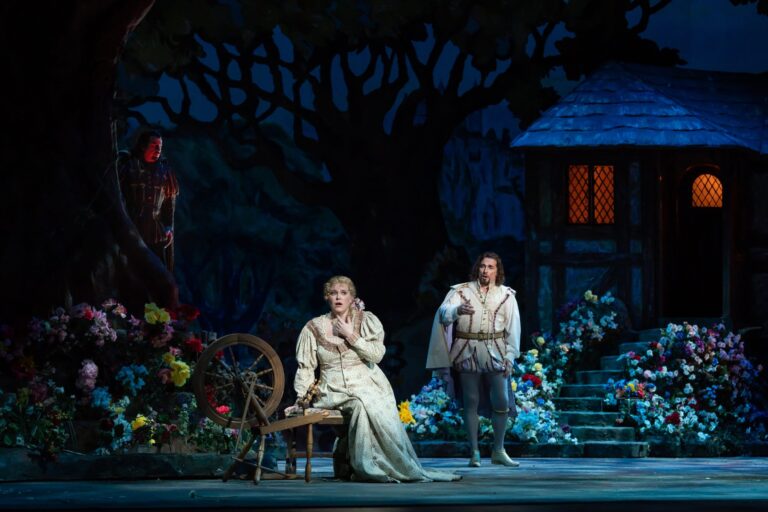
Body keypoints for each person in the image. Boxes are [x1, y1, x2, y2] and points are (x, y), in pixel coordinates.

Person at [288, 275, 460, 483]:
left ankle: (382, 463)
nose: (339, 297)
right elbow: (306, 367)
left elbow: (376, 355)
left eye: (344, 293)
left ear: (352, 298)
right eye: (333, 293)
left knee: (372, 404)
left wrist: (351, 335)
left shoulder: (366, 321)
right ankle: (366, 467)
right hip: (333, 389)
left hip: (368, 383)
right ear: (327, 297)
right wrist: (301, 398)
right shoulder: (313, 327)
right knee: (360, 404)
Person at [427, 252, 521, 468]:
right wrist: (457, 310)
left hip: (495, 350)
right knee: (470, 400)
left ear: (498, 271)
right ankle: (475, 452)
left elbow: (513, 328)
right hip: (466, 349)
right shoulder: (461, 291)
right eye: (482, 266)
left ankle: (498, 450)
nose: (485, 270)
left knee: (502, 401)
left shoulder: (506, 295)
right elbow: (442, 313)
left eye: (490, 267)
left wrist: (510, 356)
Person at [117, 130, 179, 271]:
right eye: (154, 145)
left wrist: (168, 227)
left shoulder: (164, 171)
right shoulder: (128, 166)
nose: (158, 149)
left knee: (159, 275)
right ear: (143, 146)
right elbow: (119, 198)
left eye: (160, 146)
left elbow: (168, 205)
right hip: (132, 230)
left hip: (156, 234)